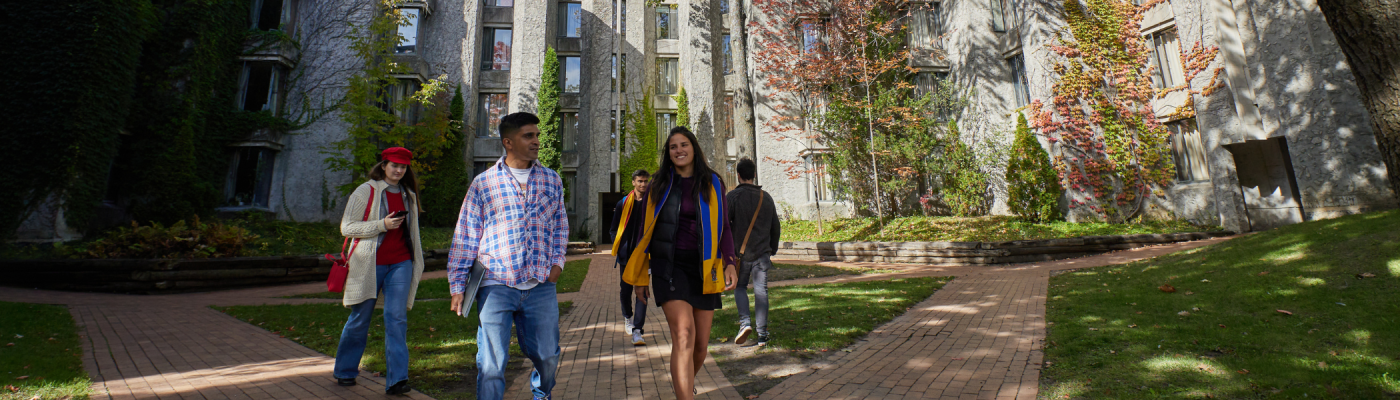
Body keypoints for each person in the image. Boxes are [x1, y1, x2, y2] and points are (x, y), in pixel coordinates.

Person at [448, 112, 568, 400]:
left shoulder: (551, 180)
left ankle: (542, 394)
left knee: (548, 357)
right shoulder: (483, 183)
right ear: (508, 142)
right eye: (529, 136)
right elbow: (466, 234)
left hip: (539, 284)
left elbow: (560, 226)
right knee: (491, 364)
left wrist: (557, 263)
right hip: (495, 283)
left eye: (537, 135)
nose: (537, 141)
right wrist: (457, 286)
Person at [620, 126, 738, 400]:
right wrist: (639, 277)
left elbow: (724, 227)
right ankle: (684, 396)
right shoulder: (659, 185)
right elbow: (643, 233)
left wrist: (730, 261)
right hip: (668, 268)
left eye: (684, 144)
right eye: (673, 147)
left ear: (694, 147)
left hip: (705, 269)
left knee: (699, 348)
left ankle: (684, 385)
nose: (679, 150)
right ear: (668, 153)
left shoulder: (713, 182)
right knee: (683, 335)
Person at [333, 147, 426, 396]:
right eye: (394, 165)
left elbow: (413, 232)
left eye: (403, 166)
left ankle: (397, 379)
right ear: (383, 165)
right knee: (360, 318)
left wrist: (418, 259)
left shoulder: (408, 195)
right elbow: (347, 227)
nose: (398, 170)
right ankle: (345, 371)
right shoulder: (366, 190)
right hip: (369, 264)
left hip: (401, 263)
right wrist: (381, 225)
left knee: (396, 320)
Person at [725, 158, 781, 347]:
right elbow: (775, 226)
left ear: (738, 175)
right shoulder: (766, 198)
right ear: (754, 175)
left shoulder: (732, 198)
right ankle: (763, 334)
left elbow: (723, 226)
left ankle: (745, 323)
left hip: (739, 255)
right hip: (762, 254)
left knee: (740, 288)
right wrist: (772, 248)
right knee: (761, 292)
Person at [610, 169, 651, 346]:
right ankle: (628, 317)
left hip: (645, 255)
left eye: (645, 181)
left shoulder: (652, 203)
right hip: (626, 255)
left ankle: (638, 330)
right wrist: (618, 247)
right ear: (633, 182)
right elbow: (614, 228)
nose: (643, 184)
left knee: (643, 291)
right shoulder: (622, 204)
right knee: (625, 290)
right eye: (639, 181)